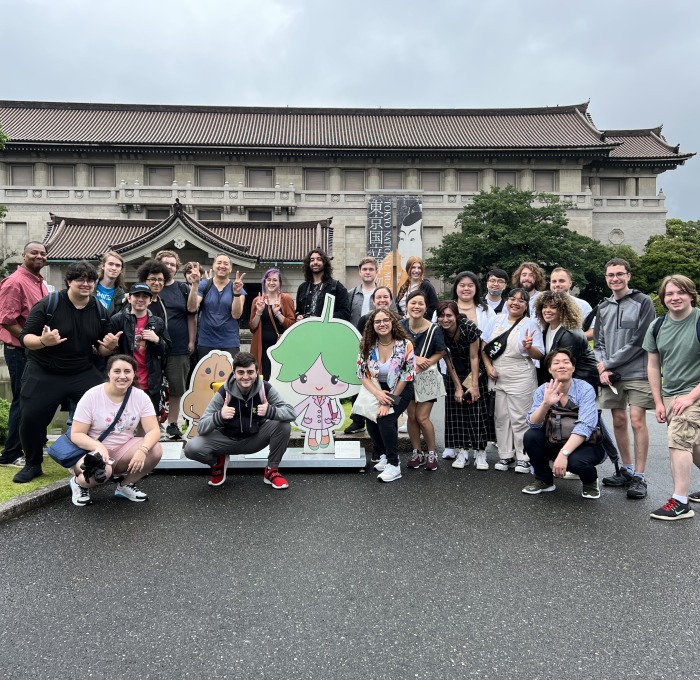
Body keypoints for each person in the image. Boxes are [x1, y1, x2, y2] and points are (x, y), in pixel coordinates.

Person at [14, 261, 122, 483]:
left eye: (90, 280)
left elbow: (101, 349)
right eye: (80, 279)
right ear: (69, 282)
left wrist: (109, 347)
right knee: (31, 417)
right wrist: (43, 341)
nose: (86, 284)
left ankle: (101, 458)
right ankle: (32, 463)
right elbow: (25, 338)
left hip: (81, 370)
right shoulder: (49, 304)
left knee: (105, 410)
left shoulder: (99, 310)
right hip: (44, 370)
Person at [184, 352, 296, 490]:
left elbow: (291, 413)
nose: (245, 376)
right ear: (234, 373)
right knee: (191, 448)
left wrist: (270, 411)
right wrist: (219, 416)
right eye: (241, 372)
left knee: (284, 425)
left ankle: (271, 470)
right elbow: (201, 427)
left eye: (250, 372)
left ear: (256, 372)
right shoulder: (224, 392)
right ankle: (218, 462)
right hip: (226, 440)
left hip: (255, 438)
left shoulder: (265, 389)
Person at [594, 258, 656, 499]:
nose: (615, 278)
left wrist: (607, 364)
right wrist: (602, 368)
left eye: (620, 274)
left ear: (629, 276)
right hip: (611, 375)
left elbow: (640, 340)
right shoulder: (602, 306)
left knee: (637, 420)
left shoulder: (643, 301)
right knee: (618, 420)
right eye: (610, 275)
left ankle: (640, 476)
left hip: (638, 372)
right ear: (606, 278)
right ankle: (627, 470)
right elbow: (598, 342)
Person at [68, 355, 163, 506]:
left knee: (155, 449)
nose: (122, 376)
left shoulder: (140, 397)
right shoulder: (92, 395)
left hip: (123, 450)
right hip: (92, 452)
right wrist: (98, 446)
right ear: (109, 373)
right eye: (117, 371)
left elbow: (153, 430)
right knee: (102, 473)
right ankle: (79, 484)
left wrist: (143, 450)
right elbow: (76, 434)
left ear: (134, 374)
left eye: (127, 371)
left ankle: (125, 486)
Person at [644, 275, 700, 520]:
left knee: (678, 439)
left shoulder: (698, 320)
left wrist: (690, 397)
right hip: (670, 394)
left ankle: (680, 502)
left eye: (681, 292)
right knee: (693, 444)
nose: (675, 297)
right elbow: (653, 365)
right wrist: (658, 401)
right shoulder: (657, 325)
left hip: (695, 392)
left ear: (691, 295)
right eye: (669, 294)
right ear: (663, 298)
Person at [522, 349, 607, 499]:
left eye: (566, 362)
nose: (562, 366)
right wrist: (546, 404)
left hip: (586, 444)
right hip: (555, 439)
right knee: (531, 436)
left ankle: (590, 481)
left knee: (576, 462)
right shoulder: (543, 390)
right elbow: (533, 424)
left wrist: (564, 454)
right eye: (556, 363)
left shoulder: (585, 389)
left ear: (573, 367)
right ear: (549, 369)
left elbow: (585, 426)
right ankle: (544, 480)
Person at [481, 288, 544, 473]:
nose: (515, 303)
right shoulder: (496, 319)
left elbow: (539, 355)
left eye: (521, 301)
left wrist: (529, 347)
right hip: (497, 374)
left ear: (526, 306)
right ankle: (505, 455)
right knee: (501, 417)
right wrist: (489, 367)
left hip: (521, 375)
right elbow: (484, 346)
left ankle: (524, 456)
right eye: (512, 299)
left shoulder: (531, 324)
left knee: (520, 417)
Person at [0, 241, 49, 466]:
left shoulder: (39, 282)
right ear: (23, 255)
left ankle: (33, 444)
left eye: (42, 253)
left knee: (36, 400)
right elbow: (7, 320)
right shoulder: (15, 282)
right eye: (34, 253)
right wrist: (29, 342)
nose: (39, 256)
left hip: (36, 350)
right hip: (20, 351)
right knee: (23, 400)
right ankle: (11, 453)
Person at [357, 309, 415, 482]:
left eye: (385, 320)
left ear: (392, 322)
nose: (381, 324)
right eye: (377, 322)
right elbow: (361, 374)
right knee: (370, 419)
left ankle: (394, 464)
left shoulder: (405, 345)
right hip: (375, 388)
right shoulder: (367, 345)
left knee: (385, 418)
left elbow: (406, 375)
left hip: (401, 389)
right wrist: (378, 394)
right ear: (372, 326)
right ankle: (383, 453)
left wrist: (387, 401)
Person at [437, 300, 488, 469]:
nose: (445, 319)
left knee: (476, 412)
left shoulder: (468, 327)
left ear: (456, 316)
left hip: (474, 371)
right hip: (454, 373)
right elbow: (447, 359)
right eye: (442, 315)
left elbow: (475, 357)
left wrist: (474, 386)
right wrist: (458, 387)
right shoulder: (439, 332)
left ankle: (480, 452)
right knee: (455, 412)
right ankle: (461, 451)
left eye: (449, 315)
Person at [110, 283, 172, 414]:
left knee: (148, 422)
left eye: (145, 296)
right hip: (125, 381)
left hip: (150, 382)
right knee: (124, 420)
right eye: (137, 295)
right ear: (129, 298)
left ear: (150, 301)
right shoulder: (118, 320)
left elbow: (166, 351)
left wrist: (157, 340)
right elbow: (110, 352)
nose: (140, 299)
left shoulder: (157, 322)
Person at [401, 290, 446, 471]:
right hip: (406, 376)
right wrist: (415, 359)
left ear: (426, 307)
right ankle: (416, 452)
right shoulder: (400, 326)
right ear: (407, 305)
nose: (416, 306)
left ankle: (432, 453)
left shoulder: (434, 329)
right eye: (413, 303)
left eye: (420, 303)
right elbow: (397, 349)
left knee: (422, 417)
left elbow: (440, 351)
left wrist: (425, 363)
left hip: (427, 376)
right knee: (411, 416)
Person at [155, 250, 198, 439]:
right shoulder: (152, 287)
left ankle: (173, 423)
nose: (169, 267)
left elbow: (191, 315)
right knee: (152, 385)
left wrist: (191, 340)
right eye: (165, 263)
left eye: (172, 264)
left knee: (176, 386)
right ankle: (153, 423)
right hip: (153, 345)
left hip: (178, 344)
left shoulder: (182, 289)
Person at [345, 285, 396, 435]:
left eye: (385, 297)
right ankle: (358, 421)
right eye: (378, 297)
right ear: (373, 301)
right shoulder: (365, 320)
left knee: (387, 416)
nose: (382, 300)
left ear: (391, 300)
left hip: (393, 374)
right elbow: (362, 345)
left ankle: (388, 451)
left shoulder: (399, 320)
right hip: (371, 372)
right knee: (365, 399)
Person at [534, 291, 598, 389]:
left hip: (581, 384)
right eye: (544, 306)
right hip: (564, 381)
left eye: (553, 307)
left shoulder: (570, 334)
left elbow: (564, 366)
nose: (547, 310)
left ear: (564, 310)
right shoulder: (547, 330)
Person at [189, 254, 247, 358]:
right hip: (206, 341)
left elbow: (236, 315)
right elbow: (192, 308)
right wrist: (195, 285)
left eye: (226, 264)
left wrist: (237, 293)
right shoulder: (204, 284)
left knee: (229, 373)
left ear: (230, 269)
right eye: (219, 262)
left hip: (229, 342)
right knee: (205, 374)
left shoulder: (238, 288)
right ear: (214, 265)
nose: (222, 266)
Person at [249, 268, 295, 379]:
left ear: (280, 283)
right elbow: (252, 327)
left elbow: (291, 325)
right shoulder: (257, 300)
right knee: (263, 378)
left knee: (279, 378)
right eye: (268, 280)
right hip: (262, 348)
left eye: (275, 280)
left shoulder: (286, 299)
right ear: (264, 282)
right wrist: (259, 312)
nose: (271, 283)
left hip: (280, 348)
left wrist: (278, 313)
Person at [295, 248, 350, 321]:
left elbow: (345, 313)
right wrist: (298, 316)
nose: (315, 262)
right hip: (307, 330)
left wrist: (322, 317)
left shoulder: (336, 287)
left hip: (328, 330)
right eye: (312, 260)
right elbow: (298, 310)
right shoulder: (302, 288)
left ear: (324, 263)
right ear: (308, 264)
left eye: (319, 259)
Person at [549, 267, 593, 338]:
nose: (557, 284)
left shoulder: (583, 305)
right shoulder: (544, 306)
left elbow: (593, 331)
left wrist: (573, 338)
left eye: (561, 281)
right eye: (554, 281)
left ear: (570, 283)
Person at [348, 257, 378, 327]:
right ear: (360, 272)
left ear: (376, 272)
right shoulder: (351, 294)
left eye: (371, 269)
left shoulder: (384, 294)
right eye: (364, 269)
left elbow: (394, 315)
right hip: (355, 336)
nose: (367, 272)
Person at [95, 250, 127, 316]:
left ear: (121, 270)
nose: (114, 268)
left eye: (118, 265)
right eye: (110, 264)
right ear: (103, 266)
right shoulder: (90, 288)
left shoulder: (121, 295)